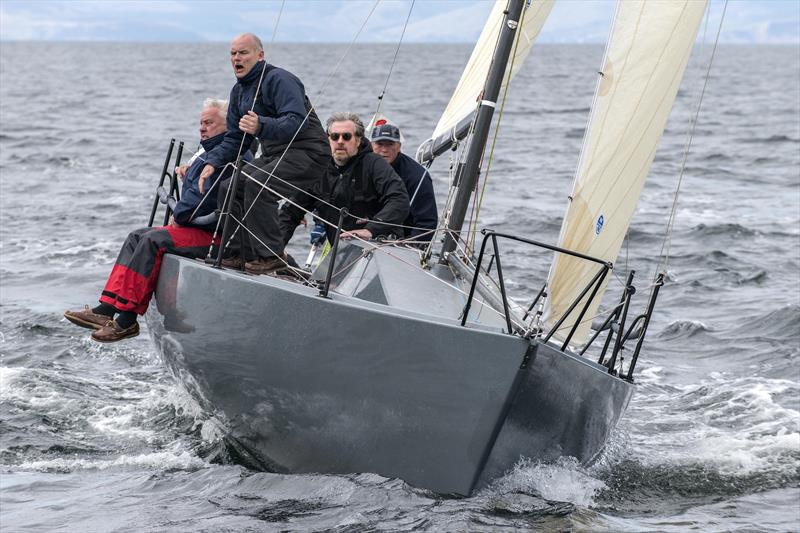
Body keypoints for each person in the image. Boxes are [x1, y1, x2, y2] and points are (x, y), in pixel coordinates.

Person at [64, 99, 234, 343]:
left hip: (216, 235)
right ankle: (106, 308)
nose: (202, 128)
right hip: (198, 227)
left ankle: (126, 320)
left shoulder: (226, 156)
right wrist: (190, 168)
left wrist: (180, 214)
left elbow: (203, 199)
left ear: (227, 127)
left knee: (154, 240)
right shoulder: (207, 152)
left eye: (209, 123)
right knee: (137, 236)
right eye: (200, 123)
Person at [198, 33, 329, 275]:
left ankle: (272, 256)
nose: (237, 58)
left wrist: (261, 126)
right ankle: (239, 252)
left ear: (260, 56)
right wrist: (212, 161)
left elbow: (295, 121)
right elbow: (237, 138)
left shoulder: (281, 80)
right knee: (231, 185)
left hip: (309, 152)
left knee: (257, 185)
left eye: (243, 52)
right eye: (233, 53)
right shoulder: (238, 92)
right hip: (275, 154)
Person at [279, 112, 409, 246]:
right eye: (335, 137)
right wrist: (274, 247)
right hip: (341, 252)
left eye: (346, 137)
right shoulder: (318, 170)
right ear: (328, 140)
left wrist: (370, 230)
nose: (340, 141)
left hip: (379, 245)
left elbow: (399, 199)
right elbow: (290, 212)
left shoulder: (374, 164)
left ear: (358, 141)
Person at [370, 120, 438, 243]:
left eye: (390, 144)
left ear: (399, 147)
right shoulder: (363, 167)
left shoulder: (417, 176)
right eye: (380, 144)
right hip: (367, 234)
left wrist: (407, 245)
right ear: (371, 145)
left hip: (403, 242)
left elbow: (426, 224)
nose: (384, 150)